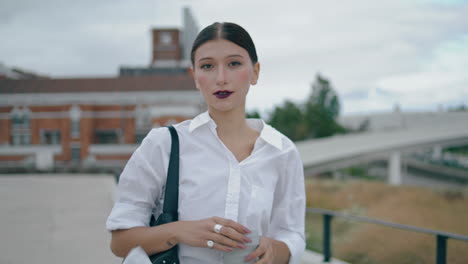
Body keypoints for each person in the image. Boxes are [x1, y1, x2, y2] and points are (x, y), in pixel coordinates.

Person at [106, 22, 305, 264]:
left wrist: (276, 250)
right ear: (195, 76)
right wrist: (179, 231)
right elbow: (120, 242)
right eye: (207, 66)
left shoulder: (282, 152)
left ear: (255, 72)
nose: (221, 78)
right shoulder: (164, 144)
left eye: (234, 64)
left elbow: (292, 233)